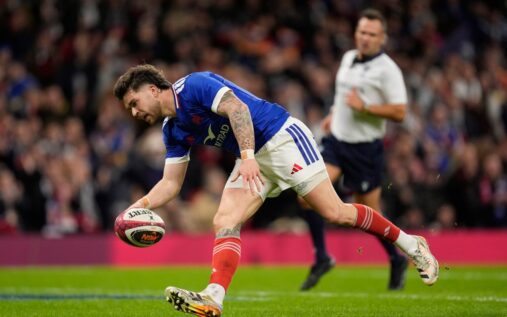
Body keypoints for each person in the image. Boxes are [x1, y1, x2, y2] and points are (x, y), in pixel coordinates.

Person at [113, 64, 439, 317]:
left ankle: (411, 243)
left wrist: (246, 157)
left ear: (154, 89)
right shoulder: (173, 130)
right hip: (253, 156)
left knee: (335, 212)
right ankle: (214, 297)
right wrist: (138, 206)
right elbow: (171, 183)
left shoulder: (193, 85)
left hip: (281, 138)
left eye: (134, 102)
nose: (134, 112)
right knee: (225, 218)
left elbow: (238, 109)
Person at [302, 8, 411, 291]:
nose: (365, 38)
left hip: (365, 151)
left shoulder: (388, 70)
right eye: (362, 32)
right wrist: (334, 113)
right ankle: (322, 256)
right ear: (356, 33)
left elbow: (400, 112)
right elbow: (343, 96)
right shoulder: (349, 58)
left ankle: (396, 258)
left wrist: (367, 108)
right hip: (337, 143)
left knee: (369, 216)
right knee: (307, 194)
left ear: (382, 38)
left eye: (372, 34)